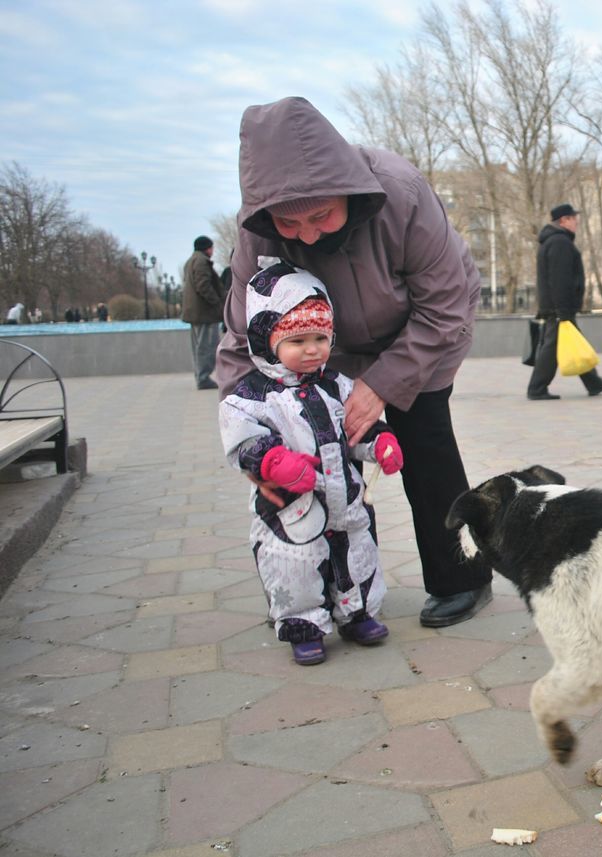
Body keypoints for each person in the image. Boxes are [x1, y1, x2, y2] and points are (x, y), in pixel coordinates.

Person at [216, 96, 492, 629]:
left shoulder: (400, 191)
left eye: (321, 215)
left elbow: (445, 305)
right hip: (320, 346)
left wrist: (383, 383)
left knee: (425, 442)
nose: (311, 234)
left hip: (424, 330)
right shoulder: (257, 233)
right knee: (316, 460)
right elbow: (240, 335)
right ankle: (329, 589)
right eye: (290, 225)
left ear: (347, 189)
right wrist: (248, 438)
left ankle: (462, 577)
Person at [219, 261, 403, 665]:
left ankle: (357, 612)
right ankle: (303, 624)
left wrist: (381, 442)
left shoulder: (337, 384)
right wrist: (272, 460)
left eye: (320, 337)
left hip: (347, 498)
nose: (312, 349)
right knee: (293, 563)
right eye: (297, 340)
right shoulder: (252, 394)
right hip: (291, 506)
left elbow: (357, 428)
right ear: (267, 340)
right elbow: (242, 437)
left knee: (357, 552)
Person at [526, 203, 602, 400]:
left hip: (557, 307)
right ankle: (536, 388)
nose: (576, 222)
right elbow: (560, 279)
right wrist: (563, 310)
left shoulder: (553, 241)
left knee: (575, 343)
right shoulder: (560, 243)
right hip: (559, 308)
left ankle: (593, 382)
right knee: (551, 349)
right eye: (573, 218)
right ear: (564, 220)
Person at [183, 235, 226, 389]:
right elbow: (203, 286)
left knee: (199, 346)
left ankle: (201, 376)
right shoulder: (201, 262)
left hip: (196, 313)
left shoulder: (191, 261)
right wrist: (217, 303)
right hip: (205, 313)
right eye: (212, 248)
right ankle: (203, 377)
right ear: (207, 248)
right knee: (206, 346)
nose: (213, 251)